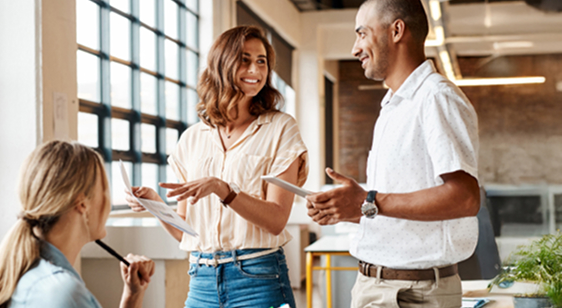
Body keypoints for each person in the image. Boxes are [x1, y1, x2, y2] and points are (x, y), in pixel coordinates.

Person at [306, 0, 480, 307]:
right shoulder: (393, 106)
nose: (355, 48)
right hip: (376, 286)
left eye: (362, 34)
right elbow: (399, 204)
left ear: (396, 30)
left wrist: (368, 200)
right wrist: (355, 210)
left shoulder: (436, 97)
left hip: (412, 294)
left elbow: (464, 198)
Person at [125, 25, 308, 308]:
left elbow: (276, 220)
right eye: (245, 59)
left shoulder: (280, 128)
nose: (256, 70)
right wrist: (154, 203)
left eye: (262, 61)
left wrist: (223, 190)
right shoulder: (192, 139)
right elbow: (186, 233)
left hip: (258, 279)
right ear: (222, 65)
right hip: (201, 281)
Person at [0, 141, 155, 308]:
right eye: (104, 190)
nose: (108, 202)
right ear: (82, 203)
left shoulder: (33, 275)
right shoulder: (64, 294)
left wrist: (133, 296)